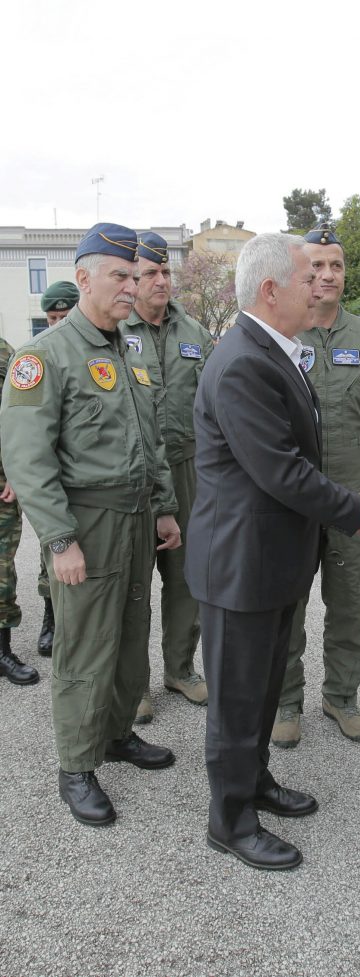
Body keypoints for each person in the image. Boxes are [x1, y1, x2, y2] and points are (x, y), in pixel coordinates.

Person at [184, 233, 360, 871]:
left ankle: (255, 783)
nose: (319, 287)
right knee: (236, 700)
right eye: (308, 277)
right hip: (240, 564)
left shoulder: (273, 351)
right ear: (271, 290)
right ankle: (230, 821)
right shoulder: (244, 361)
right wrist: (357, 510)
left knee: (260, 686)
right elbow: (281, 470)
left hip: (269, 560)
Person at [0, 222, 182, 827]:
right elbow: (27, 459)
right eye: (120, 276)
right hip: (86, 523)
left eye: (136, 276)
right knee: (84, 645)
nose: (133, 286)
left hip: (136, 518)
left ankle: (117, 734)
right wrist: (59, 540)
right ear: (83, 278)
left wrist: (164, 506)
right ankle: (76, 766)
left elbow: (152, 436)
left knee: (131, 633)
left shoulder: (131, 347)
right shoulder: (44, 357)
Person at [270, 224, 360, 750]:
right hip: (291, 501)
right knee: (286, 606)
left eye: (337, 266)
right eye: (317, 266)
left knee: (350, 606)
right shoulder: (281, 331)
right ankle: (285, 700)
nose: (327, 275)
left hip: (354, 501)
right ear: (299, 273)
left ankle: (342, 696)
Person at [123, 231, 214, 722]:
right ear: (131, 279)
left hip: (187, 469)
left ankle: (180, 669)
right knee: (135, 583)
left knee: (185, 580)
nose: (160, 281)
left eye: (165, 272)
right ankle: (134, 685)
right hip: (135, 473)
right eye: (149, 274)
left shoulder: (194, 332)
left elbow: (216, 402)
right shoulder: (116, 330)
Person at [35, 280, 80, 657]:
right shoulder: (39, 355)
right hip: (52, 478)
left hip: (83, 480)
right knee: (49, 555)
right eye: (52, 318)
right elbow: (25, 433)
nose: (58, 323)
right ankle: (50, 621)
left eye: (64, 316)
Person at [0, 336, 39, 686]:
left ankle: (1, 651)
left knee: (0, 567)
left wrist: (14, 468)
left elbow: (18, 414)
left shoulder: (4, 354)